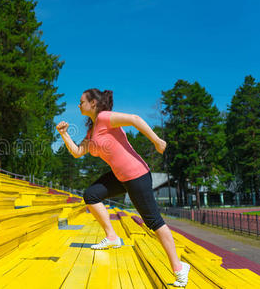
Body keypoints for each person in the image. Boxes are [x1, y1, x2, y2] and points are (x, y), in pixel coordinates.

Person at [56, 88, 190, 287]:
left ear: (93, 103)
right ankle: (112, 236)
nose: (78, 105)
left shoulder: (104, 117)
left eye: (81, 101)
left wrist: (157, 140)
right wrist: (64, 134)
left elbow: (135, 118)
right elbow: (77, 152)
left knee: (153, 222)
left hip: (137, 175)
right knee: (91, 195)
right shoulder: (92, 131)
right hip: (120, 177)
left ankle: (179, 268)